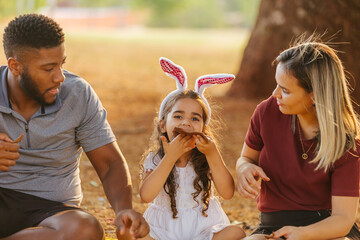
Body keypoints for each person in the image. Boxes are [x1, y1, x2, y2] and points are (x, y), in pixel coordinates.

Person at [0, 13, 149, 240]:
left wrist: (123, 209)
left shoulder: (77, 94)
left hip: (53, 210)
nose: (59, 77)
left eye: (61, 64)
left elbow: (109, 163)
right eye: (48, 68)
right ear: (15, 66)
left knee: (84, 230)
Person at [236, 36, 360, 240]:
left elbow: (343, 219)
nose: (275, 94)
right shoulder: (266, 111)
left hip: (326, 229)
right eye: (276, 85)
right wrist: (244, 168)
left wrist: (303, 234)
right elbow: (246, 158)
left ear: (314, 95)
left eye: (285, 90)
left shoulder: (345, 142)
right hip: (272, 227)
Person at [138, 57, 246, 240]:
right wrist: (170, 158)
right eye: (178, 116)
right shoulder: (155, 158)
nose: (186, 122)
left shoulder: (206, 158)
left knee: (236, 233)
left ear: (203, 129)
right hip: (163, 230)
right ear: (163, 125)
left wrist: (213, 155)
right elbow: (146, 196)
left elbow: (227, 193)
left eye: (195, 118)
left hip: (202, 230)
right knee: (133, 234)